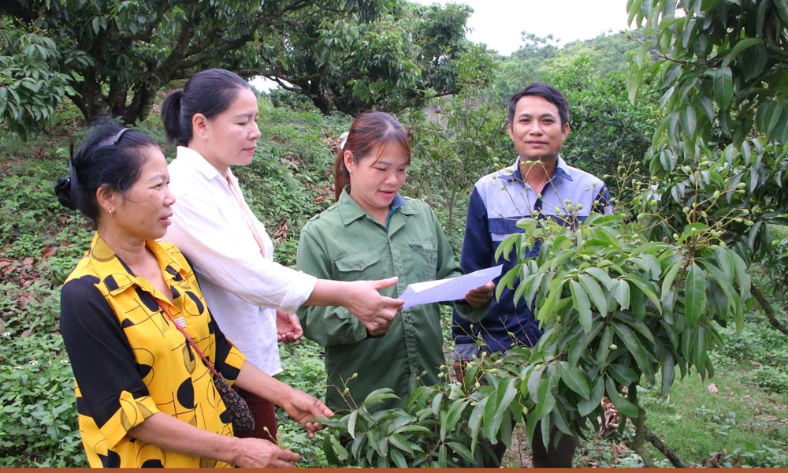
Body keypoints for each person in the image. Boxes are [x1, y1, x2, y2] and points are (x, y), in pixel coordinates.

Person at [55, 121, 332, 468]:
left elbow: (215, 348)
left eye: (168, 183)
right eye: (157, 186)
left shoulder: (172, 261)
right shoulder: (86, 295)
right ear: (108, 197)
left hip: (211, 455)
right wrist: (238, 450)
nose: (171, 197)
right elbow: (127, 413)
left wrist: (286, 395)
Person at [160, 69, 404, 443]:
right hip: (213, 373)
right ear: (201, 124)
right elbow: (245, 273)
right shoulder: (185, 189)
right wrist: (344, 294)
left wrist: (272, 306)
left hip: (247, 364)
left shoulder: (222, 179)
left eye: (255, 120)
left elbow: (241, 268)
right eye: (243, 121)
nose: (255, 131)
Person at [452, 83, 613, 467]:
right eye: (525, 120)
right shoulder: (487, 191)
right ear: (510, 129)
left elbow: (608, 271)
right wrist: (464, 348)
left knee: (555, 458)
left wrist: (603, 357)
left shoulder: (591, 191)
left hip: (566, 351)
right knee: (481, 453)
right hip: (495, 350)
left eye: (547, 120)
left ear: (566, 130)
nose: (535, 129)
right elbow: (471, 271)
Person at [295, 111, 494, 413]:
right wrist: (363, 320)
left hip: (429, 394)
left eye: (401, 170)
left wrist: (470, 294)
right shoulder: (321, 233)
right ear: (350, 161)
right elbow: (309, 317)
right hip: (364, 402)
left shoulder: (422, 215)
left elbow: (447, 275)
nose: (393, 180)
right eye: (381, 168)